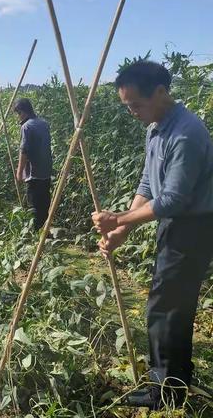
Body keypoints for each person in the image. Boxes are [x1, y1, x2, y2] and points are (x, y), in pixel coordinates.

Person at [91, 61, 213, 409]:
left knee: (165, 310)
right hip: (174, 224)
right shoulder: (156, 127)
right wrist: (122, 228)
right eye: (127, 107)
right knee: (171, 307)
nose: (133, 113)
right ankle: (173, 383)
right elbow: (148, 184)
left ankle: (167, 393)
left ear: (161, 93)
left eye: (136, 106)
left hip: (193, 228)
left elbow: (173, 199)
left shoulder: (185, 133)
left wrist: (118, 218)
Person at [14, 98, 52, 230]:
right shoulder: (44, 123)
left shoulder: (26, 126)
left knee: (34, 206)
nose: (18, 116)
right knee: (44, 203)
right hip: (46, 171)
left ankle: (36, 236)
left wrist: (19, 172)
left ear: (23, 111)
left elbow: (24, 151)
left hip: (34, 173)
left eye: (18, 113)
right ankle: (45, 230)